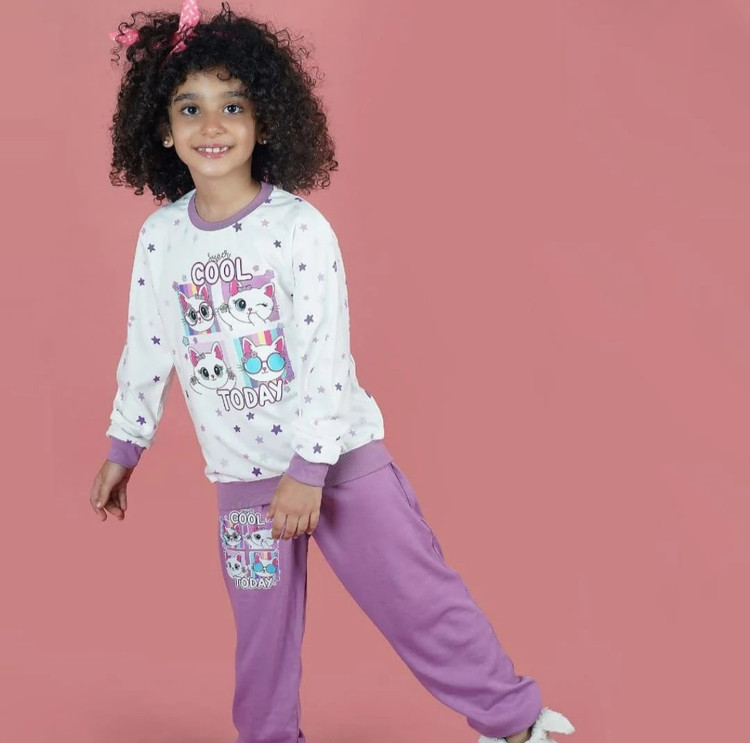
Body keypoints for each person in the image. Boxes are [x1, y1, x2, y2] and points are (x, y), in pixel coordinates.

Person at [89, 3, 575, 742]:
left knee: (416, 598)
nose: (211, 125)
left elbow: (325, 355)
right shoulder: (161, 240)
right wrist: (125, 446)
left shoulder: (298, 229)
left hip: (339, 463)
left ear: (264, 121)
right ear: (162, 129)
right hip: (243, 478)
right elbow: (148, 345)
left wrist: (309, 470)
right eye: (190, 108)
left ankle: (514, 723)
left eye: (232, 106)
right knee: (262, 643)